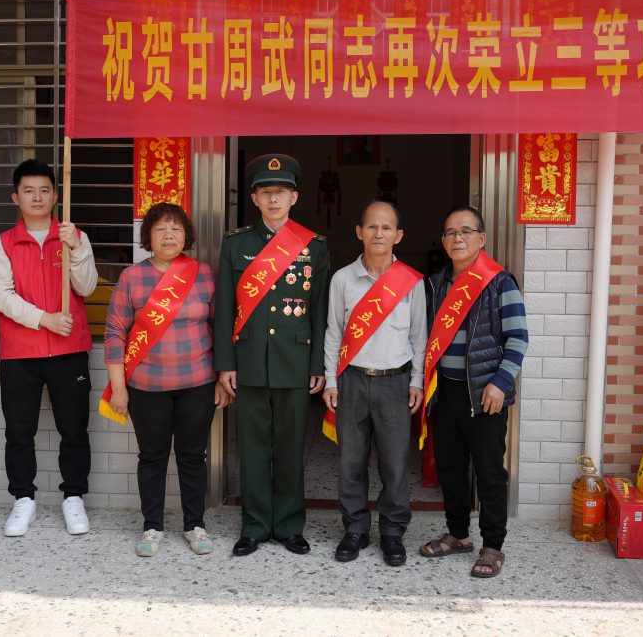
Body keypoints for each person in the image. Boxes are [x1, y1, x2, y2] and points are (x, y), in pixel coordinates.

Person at [214, 153, 329, 557]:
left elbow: (319, 309)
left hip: (294, 362)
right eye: (266, 192)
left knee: (290, 448)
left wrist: (318, 365)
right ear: (254, 198)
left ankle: (289, 526)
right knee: (253, 448)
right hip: (248, 363)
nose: (274, 199)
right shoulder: (236, 243)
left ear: (294, 197)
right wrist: (225, 363)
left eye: (281, 192)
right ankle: (255, 526)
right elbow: (225, 308)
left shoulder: (313, 246)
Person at [103, 203, 230, 557]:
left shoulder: (203, 274)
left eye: (176, 228)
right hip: (146, 387)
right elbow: (114, 332)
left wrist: (222, 379)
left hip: (198, 383)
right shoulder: (132, 277)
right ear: (148, 236)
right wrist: (118, 387)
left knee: (193, 456)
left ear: (186, 236)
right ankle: (152, 527)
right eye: (160, 229)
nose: (169, 235)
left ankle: (194, 525)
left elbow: (221, 328)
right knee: (152, 457)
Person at [0, 159, 98, 537]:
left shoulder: (73, 236)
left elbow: (87, 287)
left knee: (74, 430)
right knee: (19, 431)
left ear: (55, 195)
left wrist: (76, 248)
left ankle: (74, 497)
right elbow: (1, 297)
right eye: (29, 191)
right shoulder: (2, 244)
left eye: (45, 190)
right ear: (16, 197)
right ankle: (23, 499)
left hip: (69, 350)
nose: (37, 197)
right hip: (20, 354)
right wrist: (44, 320)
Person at [418, 205, 528, 579]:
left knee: (489, 472)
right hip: (444, 392)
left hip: (484, 394)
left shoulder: (500, 282)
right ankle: (458, 534)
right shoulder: (436, 284)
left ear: (481, 238)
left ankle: (493, 544)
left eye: (465, 231)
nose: (458, 238)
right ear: (443, 240)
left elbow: (518, 338)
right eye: (450, 232)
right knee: (450, 468)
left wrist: (500, 383)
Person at [322, 200, 426, 566]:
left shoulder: (412, 282)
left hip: (395, 383)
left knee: (395, 464)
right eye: (371, 227)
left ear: (398, 235)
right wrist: (331, 381)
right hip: (352, 381)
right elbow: (333, 333)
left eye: (386, 228)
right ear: (359, 232)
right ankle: (355, 529)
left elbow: (419, 337)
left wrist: (417, 380)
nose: (378, 233)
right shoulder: (342, 279)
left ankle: (392, 532)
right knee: (350, 462)